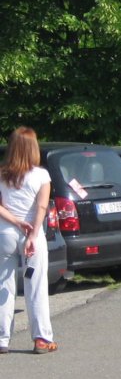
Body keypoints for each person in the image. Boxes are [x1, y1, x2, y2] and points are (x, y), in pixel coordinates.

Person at [0, 127, 57, 354]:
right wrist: (32, 235)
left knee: (3, 285)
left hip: (5, 233)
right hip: (31, 234)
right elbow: (41, 207)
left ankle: (2, 339)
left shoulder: (2, 174)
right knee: (35, 285)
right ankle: (41, 338)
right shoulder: (41, 175)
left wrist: (15, 221)